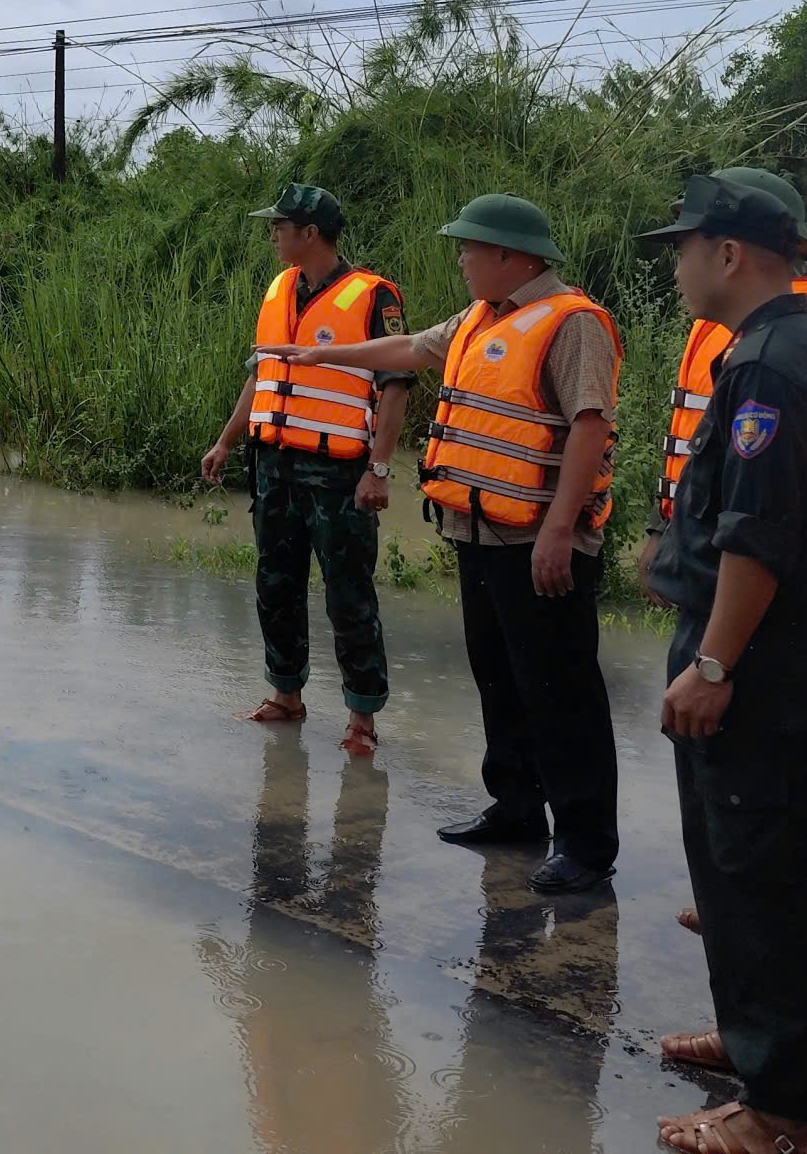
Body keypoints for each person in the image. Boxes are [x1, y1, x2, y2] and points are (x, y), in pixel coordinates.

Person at [263, 192, 621, 894]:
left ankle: (585, 842)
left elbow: (589, 425)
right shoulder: (481, 316)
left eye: (468, 248)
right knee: (499, 678)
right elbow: (408, 349)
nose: (458, 259)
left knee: (560, 691)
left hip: (538, 541)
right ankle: (517, 808)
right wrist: (318, 355)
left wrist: (557, 529)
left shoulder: (573, 325)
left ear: (508, 256)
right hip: (478, 530)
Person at [636, 173, 807, 1154]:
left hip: (758, 650)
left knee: (760, 870)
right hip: (780, 645)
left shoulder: (771, 363)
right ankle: (754, 1045)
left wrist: (716, 660)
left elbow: (759, 533)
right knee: (746, 867)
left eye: (685, 247)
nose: (679, 266)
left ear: (728, 253)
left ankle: (778, 1111)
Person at [200, 183, 410, 757]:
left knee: (349, 596)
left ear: (310, 233)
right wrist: (225, 441)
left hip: (339, 475)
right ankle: (285, 695)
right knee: (276, 584)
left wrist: (380, 469)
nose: (273, 235)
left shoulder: (373, 296)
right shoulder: (277, 290)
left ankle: (362, 718)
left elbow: (396, 388)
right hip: (274, 467)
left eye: (280, 226)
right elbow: (261, 375)